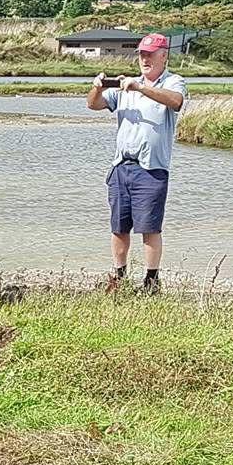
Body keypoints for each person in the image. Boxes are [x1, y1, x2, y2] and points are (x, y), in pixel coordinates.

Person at [87, 32, 186, 294]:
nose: (144, 59)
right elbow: (93, 104)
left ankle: (151, 281)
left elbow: (176, 102)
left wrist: (141, 88)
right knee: (119, 227)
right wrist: (98, 86)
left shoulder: (173, 82)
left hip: (152, 168)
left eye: (150, 54)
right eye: (141, 54)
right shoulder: (124, 86)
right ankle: (119, 277)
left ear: (164, 56)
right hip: (122, 166)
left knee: (150, 227)